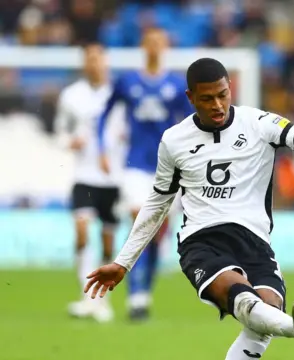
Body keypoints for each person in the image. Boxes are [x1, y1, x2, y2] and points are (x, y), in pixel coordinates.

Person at [85, 57, 294, 358]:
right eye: (207, 98)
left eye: (222, 94)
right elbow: (157, 204)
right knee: (245, 301)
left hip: (255, 242)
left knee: (264, 319)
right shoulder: (174, 141)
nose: (217, 104)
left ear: (230, 89)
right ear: (190, 98)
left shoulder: (258, 123)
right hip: (202, 242)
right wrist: (123, 262)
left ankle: (293, 326)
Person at [96, 27, 193, 321]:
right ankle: (135, 292)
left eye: (158, 42)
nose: (153, 46)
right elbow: (104, 114)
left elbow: (190, 122)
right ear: (143, 45)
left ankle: (143, 294)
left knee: (157, 234)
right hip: (135, 167)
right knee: (140, 222)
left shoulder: (176, 86)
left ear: (165, 46)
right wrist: (103, 148)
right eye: (149, 41)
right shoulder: (127, 82)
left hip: (167, 169)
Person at [55, 43, 125, 323]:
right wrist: (68, 141)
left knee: (108, 241)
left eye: (98, 59)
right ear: (84, 64)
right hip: (83, 175)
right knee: (82, 230)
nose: (94, 64)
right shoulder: (71, 96)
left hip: (112, 177)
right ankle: (86, 298)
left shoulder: (118, 94)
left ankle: (102, 301)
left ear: (105, 62)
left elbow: (129, 129)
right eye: (89, 59)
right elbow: (60, 130)